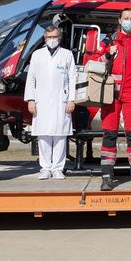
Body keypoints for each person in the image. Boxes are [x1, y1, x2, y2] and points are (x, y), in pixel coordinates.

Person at [96, 8, 131, 191]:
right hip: (111, 95)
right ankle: (106, 178)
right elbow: (95, 61)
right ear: (120, 20)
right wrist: (108, 54)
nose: (129, 21)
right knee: (109, 135)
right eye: (126, 18)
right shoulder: (109, 41)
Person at [24, 26, 76, 180]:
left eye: (54, 37)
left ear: (59, 38)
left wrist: (71, 99)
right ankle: (45, 168)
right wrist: (31, 100)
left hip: (62, 100)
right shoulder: (37, 55)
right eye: (49, 37)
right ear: (45, 38)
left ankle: (58, 168)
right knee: (44, 135)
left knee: (60, 136)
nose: (52, 40)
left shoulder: (67, 55)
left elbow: (72, 78)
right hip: (41, 101)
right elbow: (31, 78)